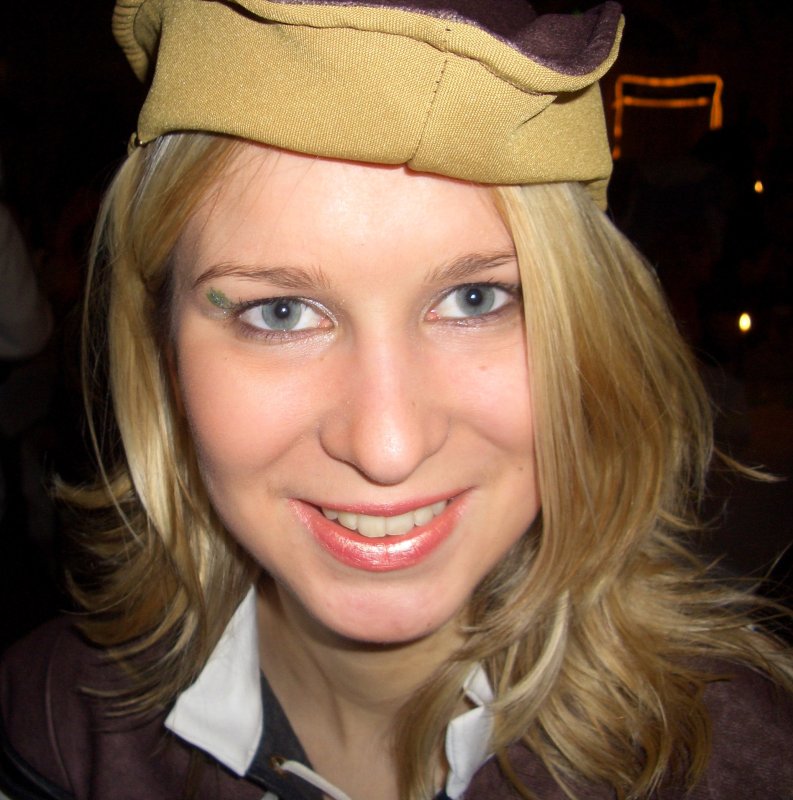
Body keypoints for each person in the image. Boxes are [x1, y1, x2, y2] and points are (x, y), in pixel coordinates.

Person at [1, 1, 792, 799]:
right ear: (163, 352)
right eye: (280, 313)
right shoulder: (54, 726)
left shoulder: (737, 765)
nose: (387, 447)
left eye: (476, 299)